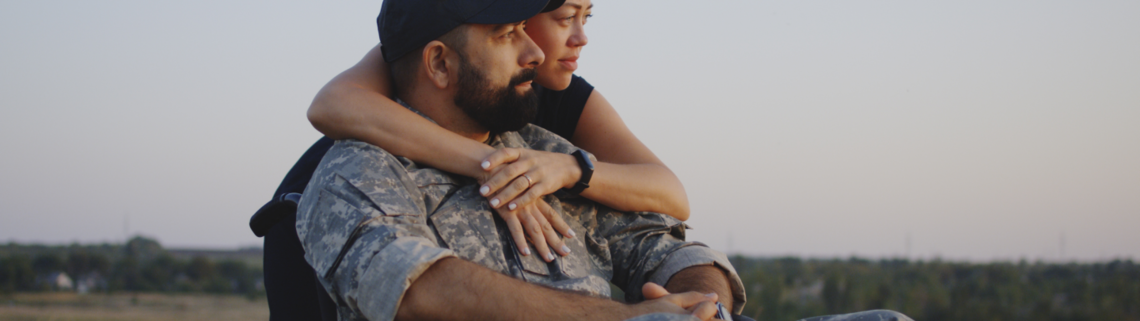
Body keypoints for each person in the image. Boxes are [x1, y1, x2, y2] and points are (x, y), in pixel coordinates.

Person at [298, 1, 915, 321]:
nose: (535, 52)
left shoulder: (548, 150)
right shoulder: (361, 170)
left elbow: (663, 241)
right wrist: (624, 320)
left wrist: (702, 306)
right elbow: (414, 289)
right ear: (439, 63)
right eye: (507, 34)